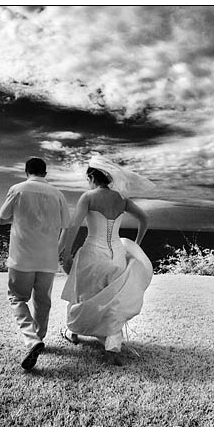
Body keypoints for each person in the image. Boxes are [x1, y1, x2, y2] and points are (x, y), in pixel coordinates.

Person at [59, 156, 154, 366]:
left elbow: (74, 226)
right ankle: (112, 347)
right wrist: (135, 244)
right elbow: (145, 219)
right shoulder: (122, 199)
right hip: (117, 255)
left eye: (88, 178)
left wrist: (66, 255)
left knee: (81, 293)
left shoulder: (88, 197)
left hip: (92, 253)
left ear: (92, 176)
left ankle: (73, 332)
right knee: (113, 300)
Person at [0, 157, 71, 370]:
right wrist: (56, 251)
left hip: (21, 257)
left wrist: (21, 218)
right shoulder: (58, 194)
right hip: (47, 258)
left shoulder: (17, 189)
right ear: (45, 173)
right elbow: (66, 226)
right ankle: (39, 337)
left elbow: (2, 218)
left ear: (26, 171)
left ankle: (32, 339)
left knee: (17, 298)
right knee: (43, 301)